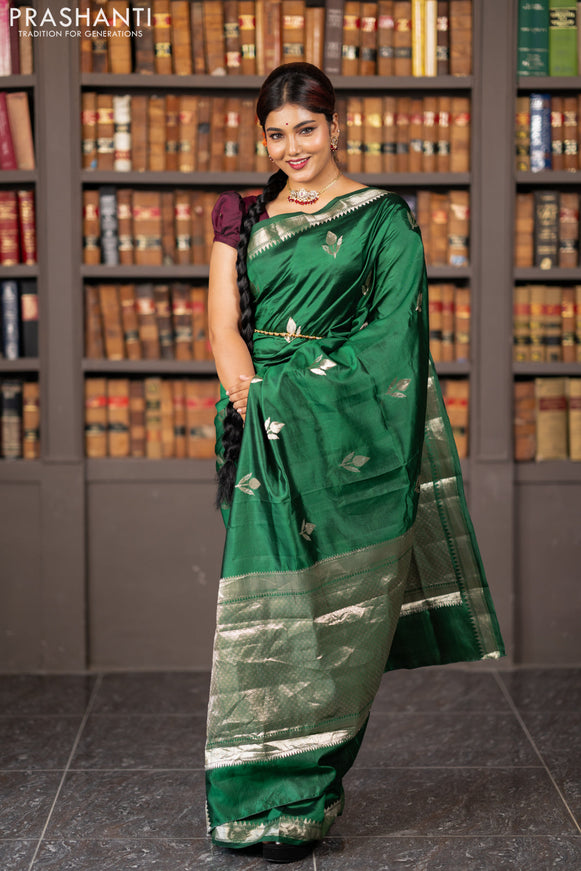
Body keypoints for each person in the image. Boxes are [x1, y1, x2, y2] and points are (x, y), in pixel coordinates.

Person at [205, 62, 504, 865]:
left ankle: (304, 798)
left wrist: (297, 397)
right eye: (276, 133)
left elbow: (393, 335)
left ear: (335, 126)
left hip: (346, 431)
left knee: (342, 617)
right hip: (258, 426)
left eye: (306, 128)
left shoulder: (383, 220)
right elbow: (223, 323)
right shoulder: (242, 214)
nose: (292, 146)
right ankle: (249, 801)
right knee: (263, 610)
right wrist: (255, 404)